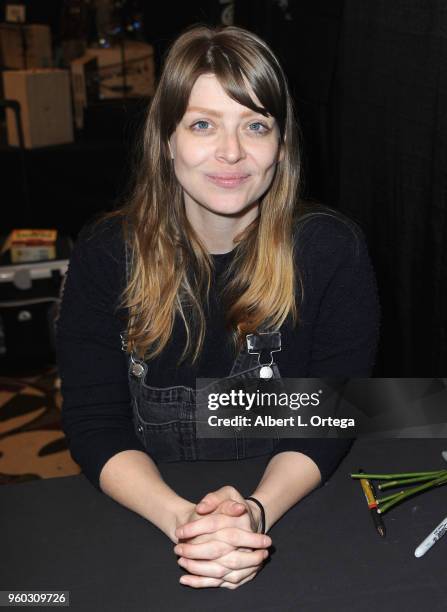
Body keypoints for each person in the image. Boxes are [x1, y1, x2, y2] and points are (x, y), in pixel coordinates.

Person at [56, 24, 380, 590]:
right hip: (145, 508)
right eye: (203, 124)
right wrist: (183, 522)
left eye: (256, 125)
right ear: (166, 139)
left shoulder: (332, 251)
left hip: (290, 502)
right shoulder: (108, 254)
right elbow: (94, 421)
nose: (231, 152)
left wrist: (252, 515)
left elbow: (326, 419)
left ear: (281, 145)